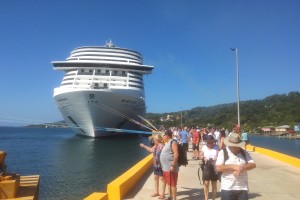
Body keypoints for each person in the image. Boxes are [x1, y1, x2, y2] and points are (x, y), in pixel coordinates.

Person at [215, 133, 256, 200]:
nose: (235, 147)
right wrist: (234, 167)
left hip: (242, 187)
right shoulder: (223, 152)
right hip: (227, 188)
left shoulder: (244, 153)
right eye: (233, 145)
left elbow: (253, 165)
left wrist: (241, 168)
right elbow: (218, 168)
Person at [160, 129, 179, 200]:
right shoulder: (167, 142)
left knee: (173, 184)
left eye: (164, 135)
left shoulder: (173, 142)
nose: (163, 136)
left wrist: (173, 165)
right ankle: (170, 196)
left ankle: (174, 198)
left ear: (167, 136)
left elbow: (176, 154)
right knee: (169, 183)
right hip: (166, 168)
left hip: (170, 167)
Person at [199, 135, 219, 200]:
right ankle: (206, 198)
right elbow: (200, 155)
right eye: (208, 142)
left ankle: (213, 198)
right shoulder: (204, 147)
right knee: (206, 183)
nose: (210, 143)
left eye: (211, 142)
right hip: (206, 167)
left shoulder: (216, 147)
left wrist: (215, 159)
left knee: (214, 184)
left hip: (214, 167)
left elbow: (219, 156)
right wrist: (203, 158)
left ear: (213, 141)